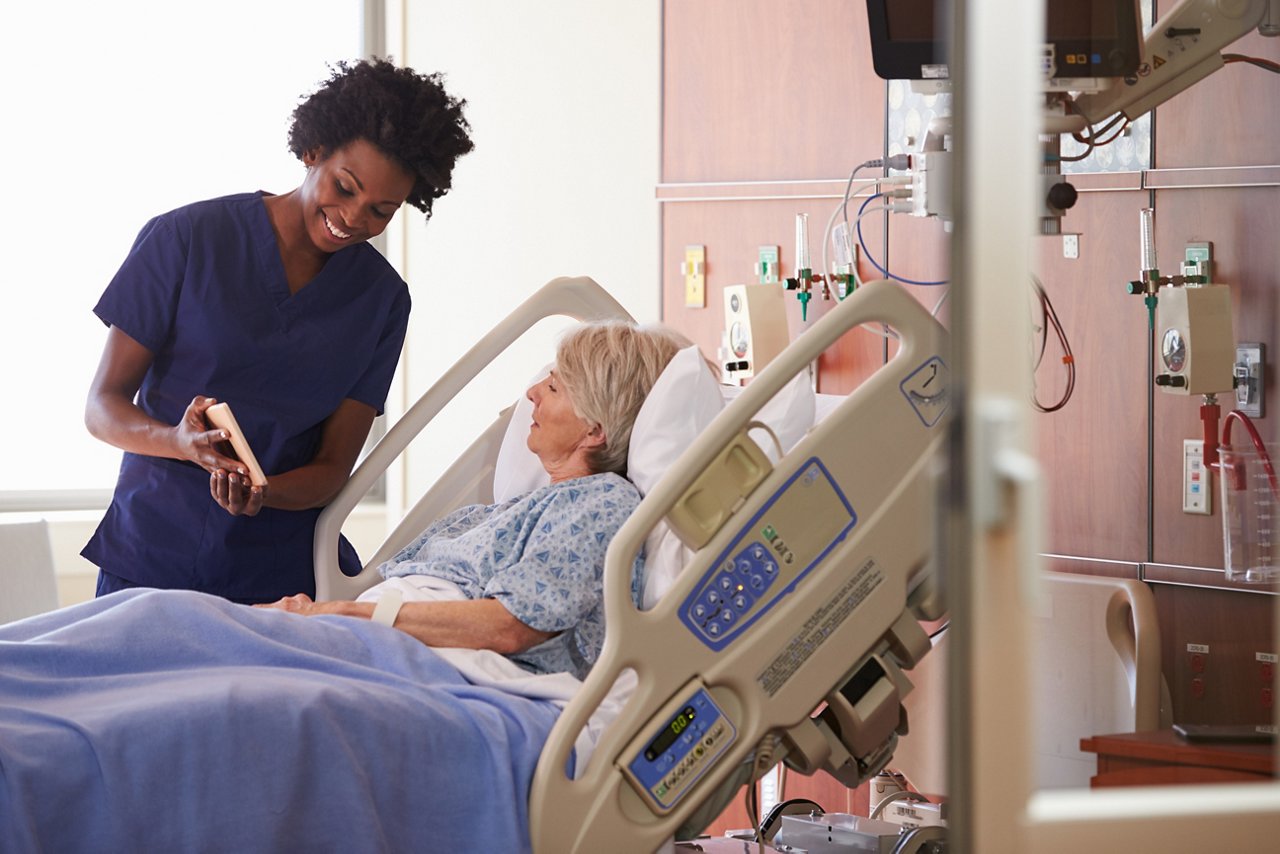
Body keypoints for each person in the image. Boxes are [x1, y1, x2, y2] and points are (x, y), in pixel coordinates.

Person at [82, 58, 475, 604]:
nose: (353, 218)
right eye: (344, 187)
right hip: (155, 552)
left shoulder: (382, 300)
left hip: (286, 577)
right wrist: (178, 442)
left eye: (381, 211)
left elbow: (332, 468)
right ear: (314, 150)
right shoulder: (186, 238)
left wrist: (263, 493)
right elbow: (102, 407)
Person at [258, 320, 695, 679]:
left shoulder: (600, 504)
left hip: (426, 663)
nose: (532, 393)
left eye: (554, 387)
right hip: (378, 642)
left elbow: (510, 627)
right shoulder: (519, 508)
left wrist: (331, 614)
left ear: (594, 429)